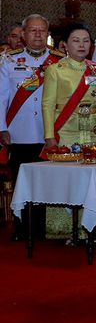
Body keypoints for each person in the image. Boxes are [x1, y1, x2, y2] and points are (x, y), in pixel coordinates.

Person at [42, 24, 96, 239]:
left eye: (86, 41)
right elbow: (47, 104)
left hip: (93, 132)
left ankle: (89, 228)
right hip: (67, 132)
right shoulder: (55, 70)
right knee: (67, 181)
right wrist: (49, 136)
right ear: (65, 45)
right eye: (76, 40)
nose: (82, 45)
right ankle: (63, 230)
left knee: (92, 182)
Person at [0, 14, 63, 240]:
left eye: (42, 31)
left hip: (50, 133)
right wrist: (2, 127)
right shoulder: (8, 60)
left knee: (47, 183)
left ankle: (44, 228)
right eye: (32, 31)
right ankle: (22, 228)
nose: (37, 34)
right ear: (24, 35)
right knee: (22, 182)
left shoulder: (59, 60)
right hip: (20, 131)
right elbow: (2, 97)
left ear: (48, 35)